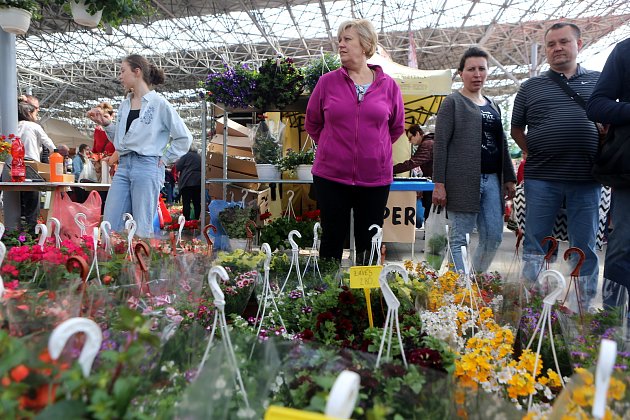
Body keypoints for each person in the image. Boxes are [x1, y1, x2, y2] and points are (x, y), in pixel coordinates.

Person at [511, 22, 601, 309]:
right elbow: (516, 129)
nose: (557, 48)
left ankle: (581, 308)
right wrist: (531, 152)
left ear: (579, 45)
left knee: (584, 246)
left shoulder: (599, 82)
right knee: (536, 243)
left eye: (564, 42)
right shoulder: (530, 87)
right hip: (542, 178)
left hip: (587, 178)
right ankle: (532, 305)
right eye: (551, 44)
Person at [305, 19, 405, 263]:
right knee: (332, 240)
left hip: (375, 178)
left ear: (365, 44)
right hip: (331, 176)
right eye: (339, 40)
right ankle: (328, 297)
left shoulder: (389, 86)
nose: (340, 45)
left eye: (347, 39)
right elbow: (313, 123)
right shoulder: (327, 83)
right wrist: (334, 147)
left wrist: (374, 151)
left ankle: (365, 297)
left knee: (369, 241)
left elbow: (396, 127)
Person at [87, 54, 192, 238]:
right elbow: (121, 143)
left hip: (147, 166)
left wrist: (165, 159)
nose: (120, 76)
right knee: (110, 224)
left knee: (141, 226)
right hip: (124, 166)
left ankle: (140, 265)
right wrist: (107, 125)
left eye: (122, 71)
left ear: (137, 72)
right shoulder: (124, 105)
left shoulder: (159, 104)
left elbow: (184, 137)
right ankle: (112, 264)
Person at [432, 46, 516, 273]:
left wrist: (509, 176)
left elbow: (502, 144)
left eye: (482, 68)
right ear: (461, 73)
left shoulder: (493, 105)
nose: (477, 74)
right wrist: (438, 183)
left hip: (492, 180)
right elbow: (440, 144)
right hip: (462, 180)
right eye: (471, 69)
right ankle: (460, 288)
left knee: (493, 235)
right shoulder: (453, 102)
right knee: (460, 236)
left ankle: (476, 281)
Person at [586, 37, 630, 317]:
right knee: (624, 245)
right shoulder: (625, 50)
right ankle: (611, 322)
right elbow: (596, 105)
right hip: (628, 171)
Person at [16, 98, 56, 231]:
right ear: (29, 113)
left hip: (13, 166)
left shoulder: (13, 125)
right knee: (32, 202)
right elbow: (49, 144)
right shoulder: (34, 126)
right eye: (35, 113)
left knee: (15, 200)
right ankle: (31, 234)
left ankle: (15, 231)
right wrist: (56, 152)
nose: (36, 116)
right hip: (31, 166)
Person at [393, 124, 434, 222]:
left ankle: (429, 233)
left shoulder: (426, 144)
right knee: (430, 210)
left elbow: (412, 163)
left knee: (430, 210)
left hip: (434, 183)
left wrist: (391, 170)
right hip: (433, 180)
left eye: (410, 138)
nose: (409, 141)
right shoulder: (428, 142)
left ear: (417, 134)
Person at [175, 146, 202, 220]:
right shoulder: (200, 157)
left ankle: (186, 219)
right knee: (196, 202)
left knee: (186, 202)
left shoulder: (185, 156)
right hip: (198, 182)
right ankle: (197, 219)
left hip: (186, 182)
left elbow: (178, 167)